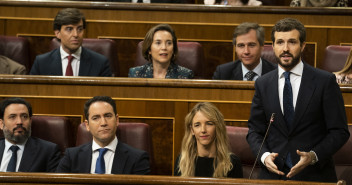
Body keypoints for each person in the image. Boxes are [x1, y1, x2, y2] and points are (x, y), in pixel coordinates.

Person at [246, 18, 350, 182]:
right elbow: (254, 131)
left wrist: (313, 156)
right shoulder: (263, 84)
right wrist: (264, 156)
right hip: (273, 177)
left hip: (314, 176)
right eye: (280, 42)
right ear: (272, 46)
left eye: (292, 42)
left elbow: (340, 131)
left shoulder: (325, 81)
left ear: (302, 45)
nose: (285, 48)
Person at [56, 96, 150, 174]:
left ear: (117, 120)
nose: (103, 123)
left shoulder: (137, 159)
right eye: (96, 118)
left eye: (108, 116)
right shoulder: (71, 157)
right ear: (87, 125)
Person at [30, 8, 112, 77]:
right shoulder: (41, 63)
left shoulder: (100, 63)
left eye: (80, 29)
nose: (76, 34)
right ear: (57, 33)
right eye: (69, 29)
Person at [174, 102, 243, 178]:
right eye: (197, 125)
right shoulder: (182, 161)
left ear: (217, 127)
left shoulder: (232, 163)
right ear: (192, 130)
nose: (203, 130)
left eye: (209, 124)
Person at [0, 98, 61, 172]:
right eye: (12, 117)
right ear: (1, 124)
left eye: (24, 116)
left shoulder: (48, 151)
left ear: (30, 121)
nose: (19, 122)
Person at [128, 24, 194, 79]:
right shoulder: (135, 74)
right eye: (158, 43)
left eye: (169, 43)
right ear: (149, 49)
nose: (164, 47)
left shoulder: (185, 75)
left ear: (173, 49)